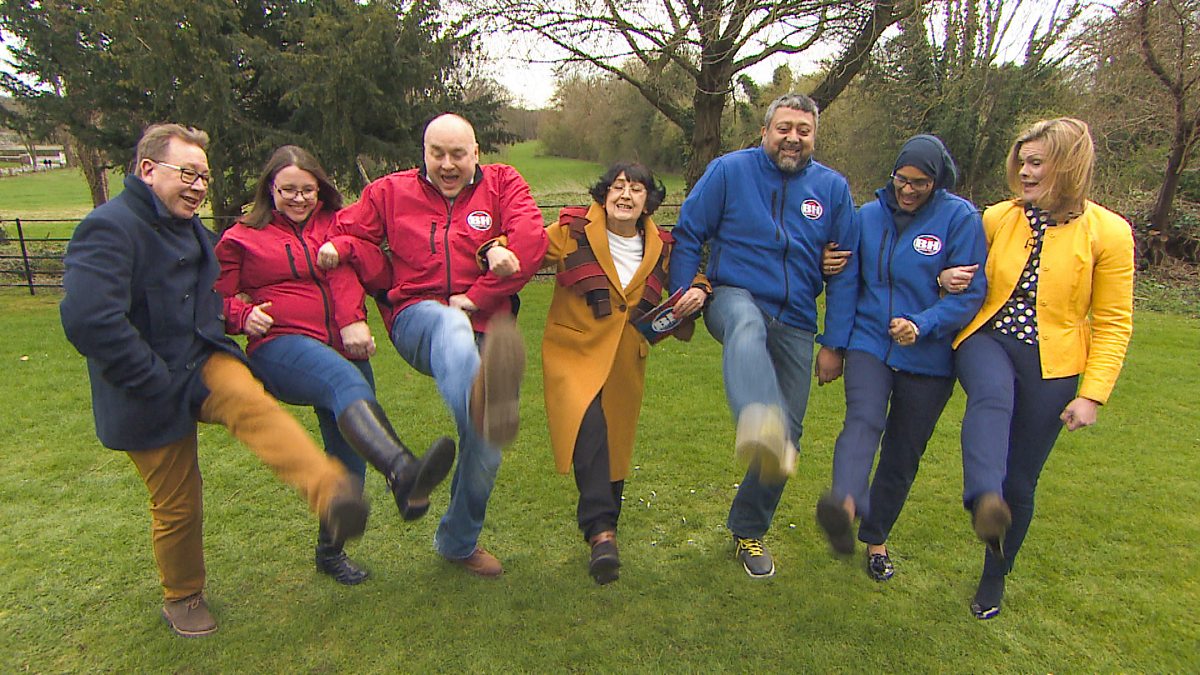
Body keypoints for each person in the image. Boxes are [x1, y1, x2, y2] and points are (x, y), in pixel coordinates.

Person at [60, 124, 369, 638]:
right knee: (179, 501)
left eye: (203, 176)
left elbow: (214, 297)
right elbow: (91, 320)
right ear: (147, 170)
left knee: (253, 402)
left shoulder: (194, 231)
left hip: (201, 360)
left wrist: (239, 316)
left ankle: (329, 491)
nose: (199, 186)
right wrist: (152, 378)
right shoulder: (109, 228)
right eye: (188, 173)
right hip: (144, 383)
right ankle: (183, 596)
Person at [214, 145, 456, 586]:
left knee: (350, 454)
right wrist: (241, 315)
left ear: (321, 189)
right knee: (344, 379)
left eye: (308, 189)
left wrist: (343, 252)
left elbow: (377, 273)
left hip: (343, 343)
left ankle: (330, 552)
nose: (299, 198)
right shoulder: (241, 239)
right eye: (288, 189)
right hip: (282, 344)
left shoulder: (338, 225)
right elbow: (212, 297)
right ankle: (403, 472)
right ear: (271, 189)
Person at [319, 113, 549, 577]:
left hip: (486, 320)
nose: (447, 165)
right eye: (436, 154)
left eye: (457, 155)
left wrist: (479, 293)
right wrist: (351, 318)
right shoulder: (388, 193)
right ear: (423, 152)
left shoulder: (503, 183)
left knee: (486, 449)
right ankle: (478, 399)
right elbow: (340, 244)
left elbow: (531, 240)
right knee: (449, 325)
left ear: (477, 153)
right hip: (417, 319)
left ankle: (457, 541)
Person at [946, 118, 1134, 619]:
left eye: (1036, 163)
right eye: (1021, 162)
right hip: (988, 338)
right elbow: (954, 271)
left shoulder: (1110, 234)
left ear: (1068, 166)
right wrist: (947, 275)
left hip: (1054, 365)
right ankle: (981, 492)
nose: (1024, 173)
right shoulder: (997, 218)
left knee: (1022, 484)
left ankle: (994, 575)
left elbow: (1114, 322)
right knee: (992, 395)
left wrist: (1092, 394)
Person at [667, 93, 860, 578]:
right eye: (784, 128)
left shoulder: (833, 190)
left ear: (815, 135)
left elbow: (845, 271)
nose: (793, 137)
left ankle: (747, 528)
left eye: (804, 130)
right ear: (764, 131)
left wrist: (834, 344)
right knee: (747, 325)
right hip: (733, 295)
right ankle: (755, 413)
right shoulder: (729, 172)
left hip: (796, 317)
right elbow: (689, 231)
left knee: (787, 438)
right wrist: (682, 299)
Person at [813, 135, 989, 582]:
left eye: (920, 183)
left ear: (937, 182)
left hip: (929, 358)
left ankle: (876, 539)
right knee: (863, 419)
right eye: (901, 180)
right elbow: (847, 284)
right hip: (870, 341)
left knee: (902, 453)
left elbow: (971, 293)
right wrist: (833, 345)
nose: (908, 190)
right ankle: (845, 505)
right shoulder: (867, 217)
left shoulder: (961, 219)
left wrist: (923, 323)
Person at [542, 163, 709, 584]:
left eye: (636, 189)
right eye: (618, 186)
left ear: (648, 202)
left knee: (613, 440)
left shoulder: (662, 247)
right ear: (604, 194)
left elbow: (695, 278)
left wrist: (698, 292)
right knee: (589, 425)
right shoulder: (572, 230)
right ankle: (601, 532)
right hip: (572, 349)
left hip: (625, 356)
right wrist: (492, 251)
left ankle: (604, 530)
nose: (626, 195)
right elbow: (525, 247)